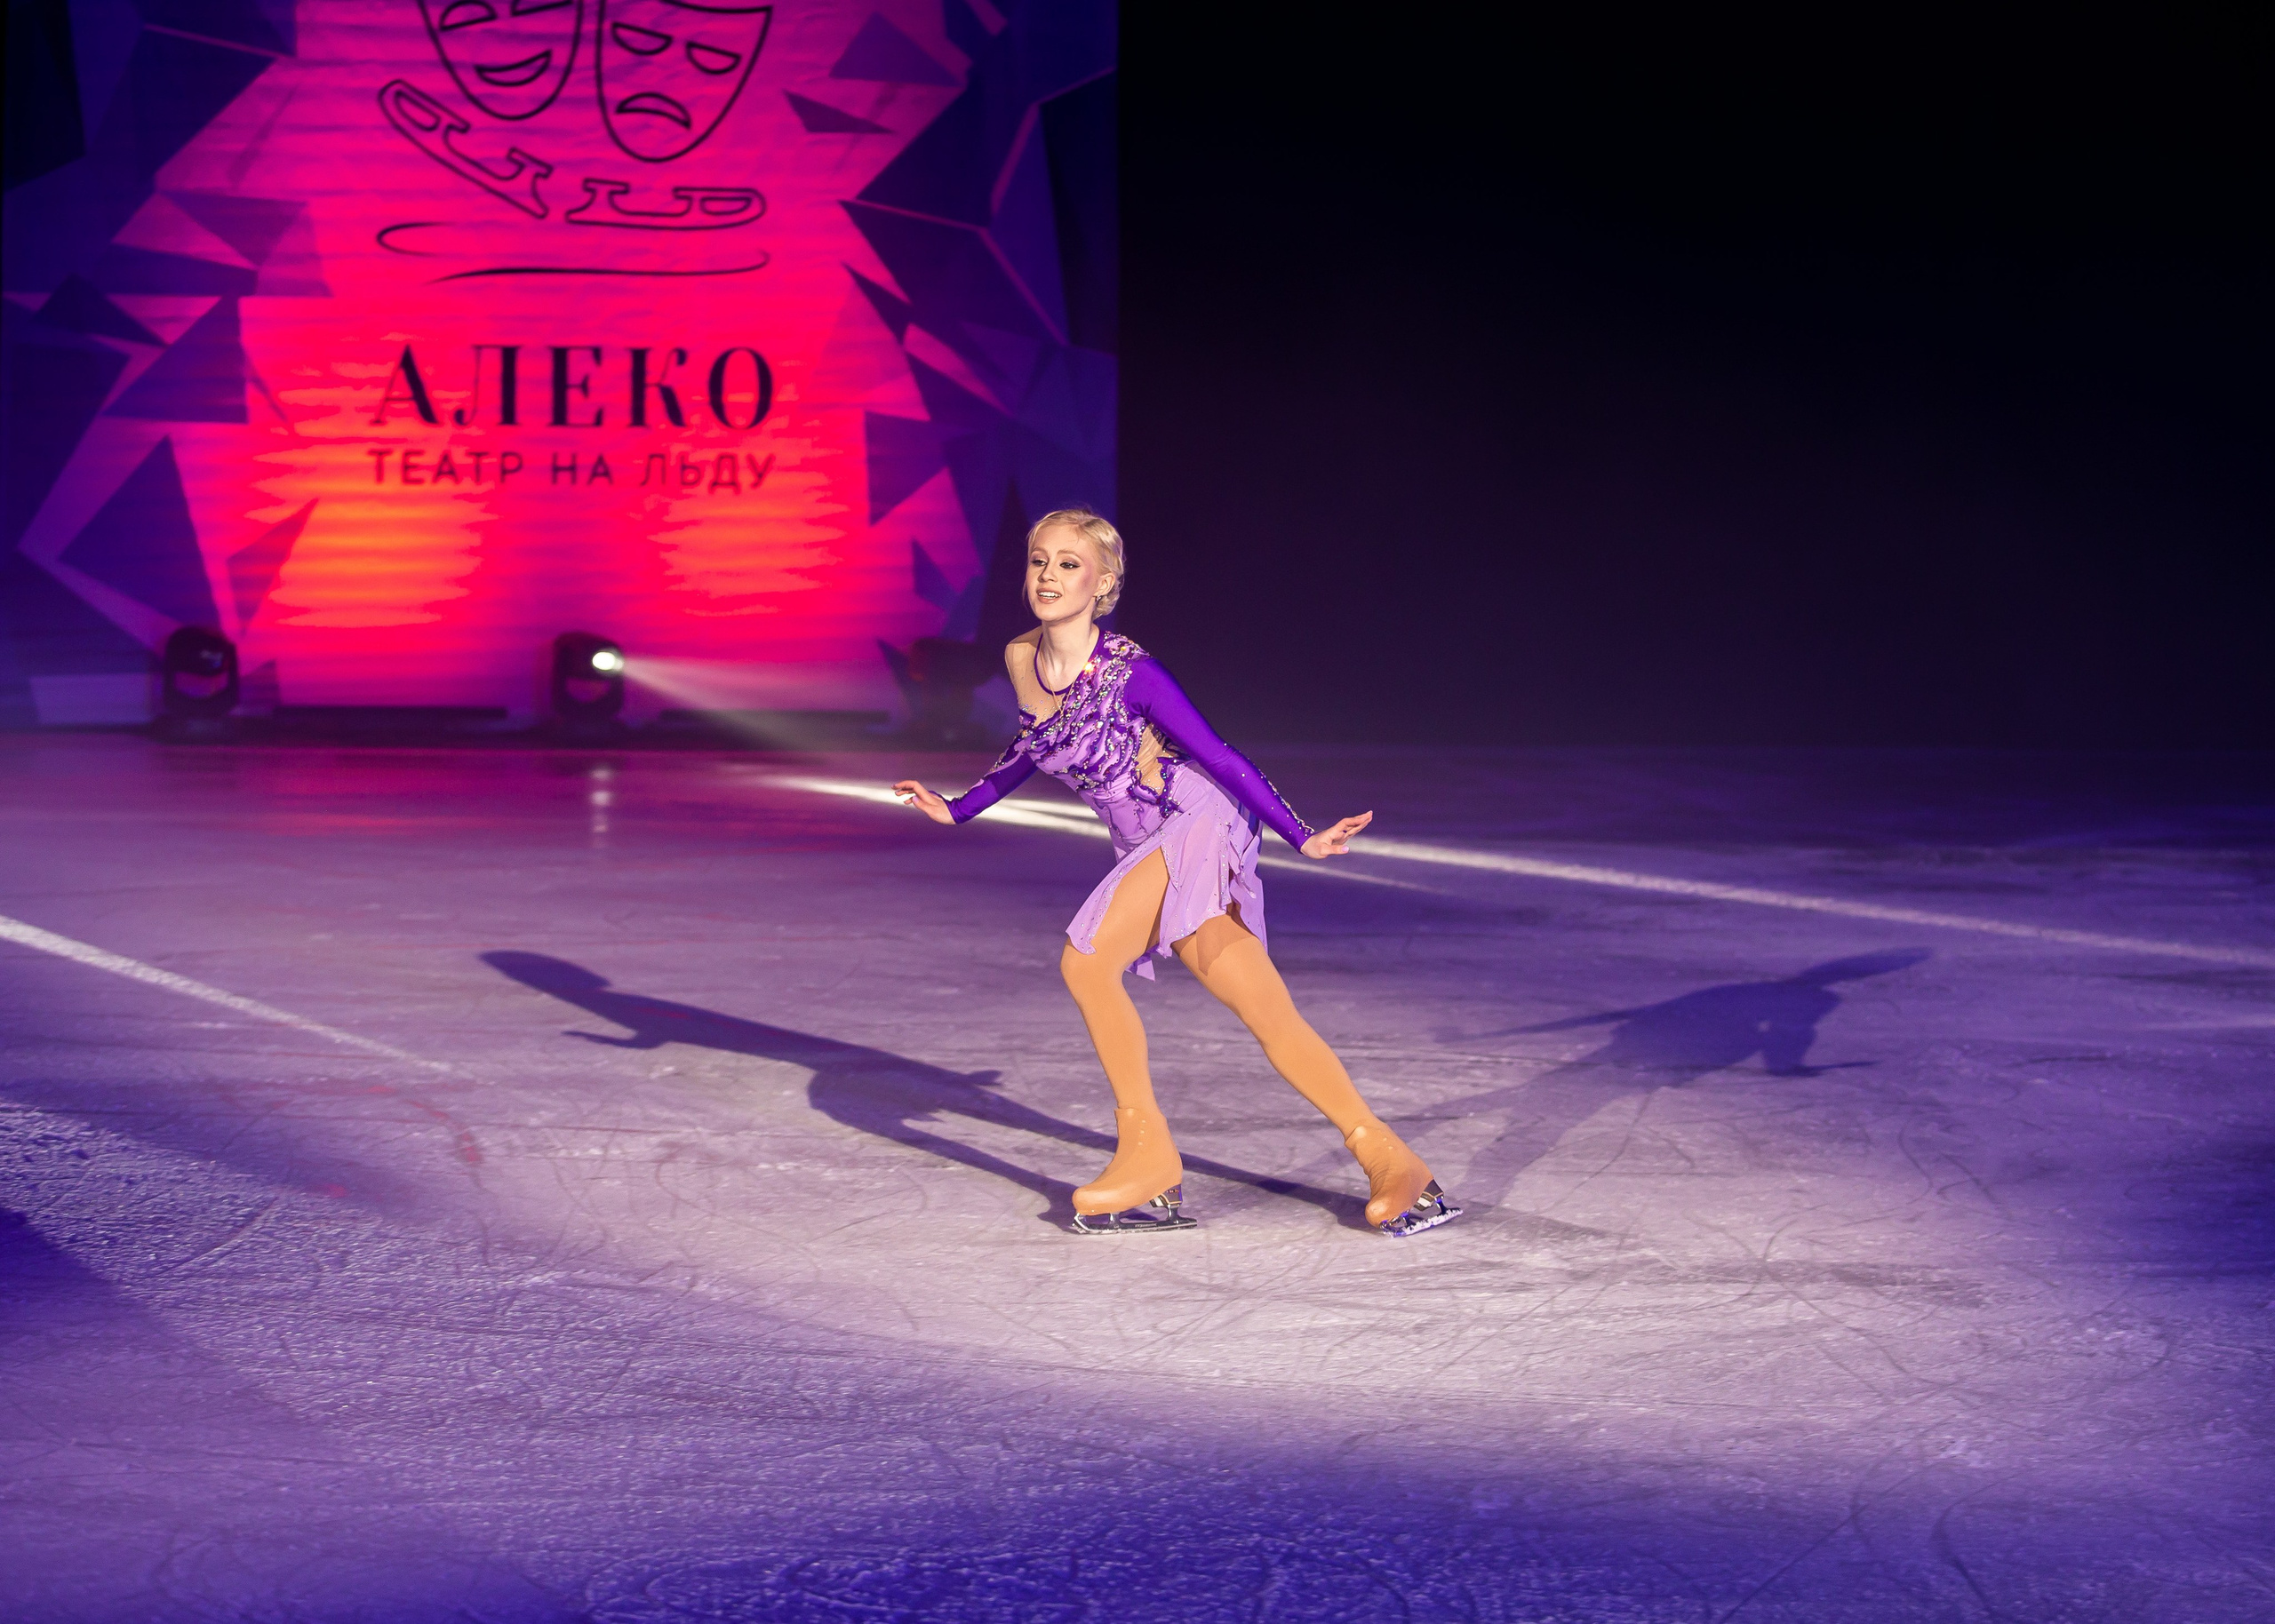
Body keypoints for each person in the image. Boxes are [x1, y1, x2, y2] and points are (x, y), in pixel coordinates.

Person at [892, 509, 1461, 1238]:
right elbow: (1034, 744)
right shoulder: (1020, 658)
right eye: (1039, 561)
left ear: (1103, 583)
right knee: (1264, 1008)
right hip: (1141, 844)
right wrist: (960, 806)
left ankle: (1147, 1154)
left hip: (1195, 819)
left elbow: (1221, 758)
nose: (1049, 576)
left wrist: (1300, 835)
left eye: (1070, 564)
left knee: (1088, 962)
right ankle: (1392, 1160)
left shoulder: (1133, 672)